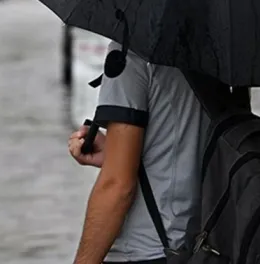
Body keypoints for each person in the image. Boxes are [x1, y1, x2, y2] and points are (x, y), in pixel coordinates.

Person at [67, 45, 208, 264]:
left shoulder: (129, 54)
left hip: (145, 251)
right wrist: (115, 154)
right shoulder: (214, 52)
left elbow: (117, 186)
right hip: (202, 245)